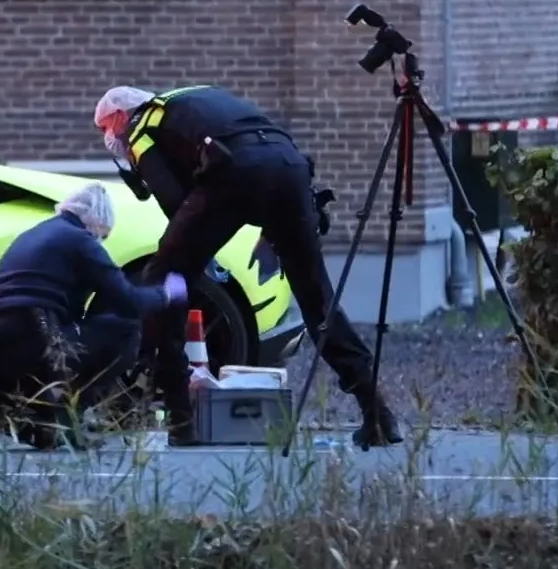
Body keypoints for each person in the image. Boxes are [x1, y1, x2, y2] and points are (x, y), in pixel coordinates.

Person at [93, 84, 405, 450]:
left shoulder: (141, 129)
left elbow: (175, 202)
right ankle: (378, 413)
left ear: (118, 116)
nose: (108, 137)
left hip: (233, 173)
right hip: (289, 167)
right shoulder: (192, 98)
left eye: (105, 128)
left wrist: (192, 252)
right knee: (317, 299)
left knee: (164, 281)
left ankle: (181, 422)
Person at [0, 181, 188, 450]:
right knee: (123, 327)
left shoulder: (31, 235)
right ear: (97, 221)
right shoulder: (81, 241)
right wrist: (167, 294)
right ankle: (68, 414)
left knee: (54, 341)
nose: (101, 241)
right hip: (36, 338)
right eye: (103, 235)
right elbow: (129, 301)